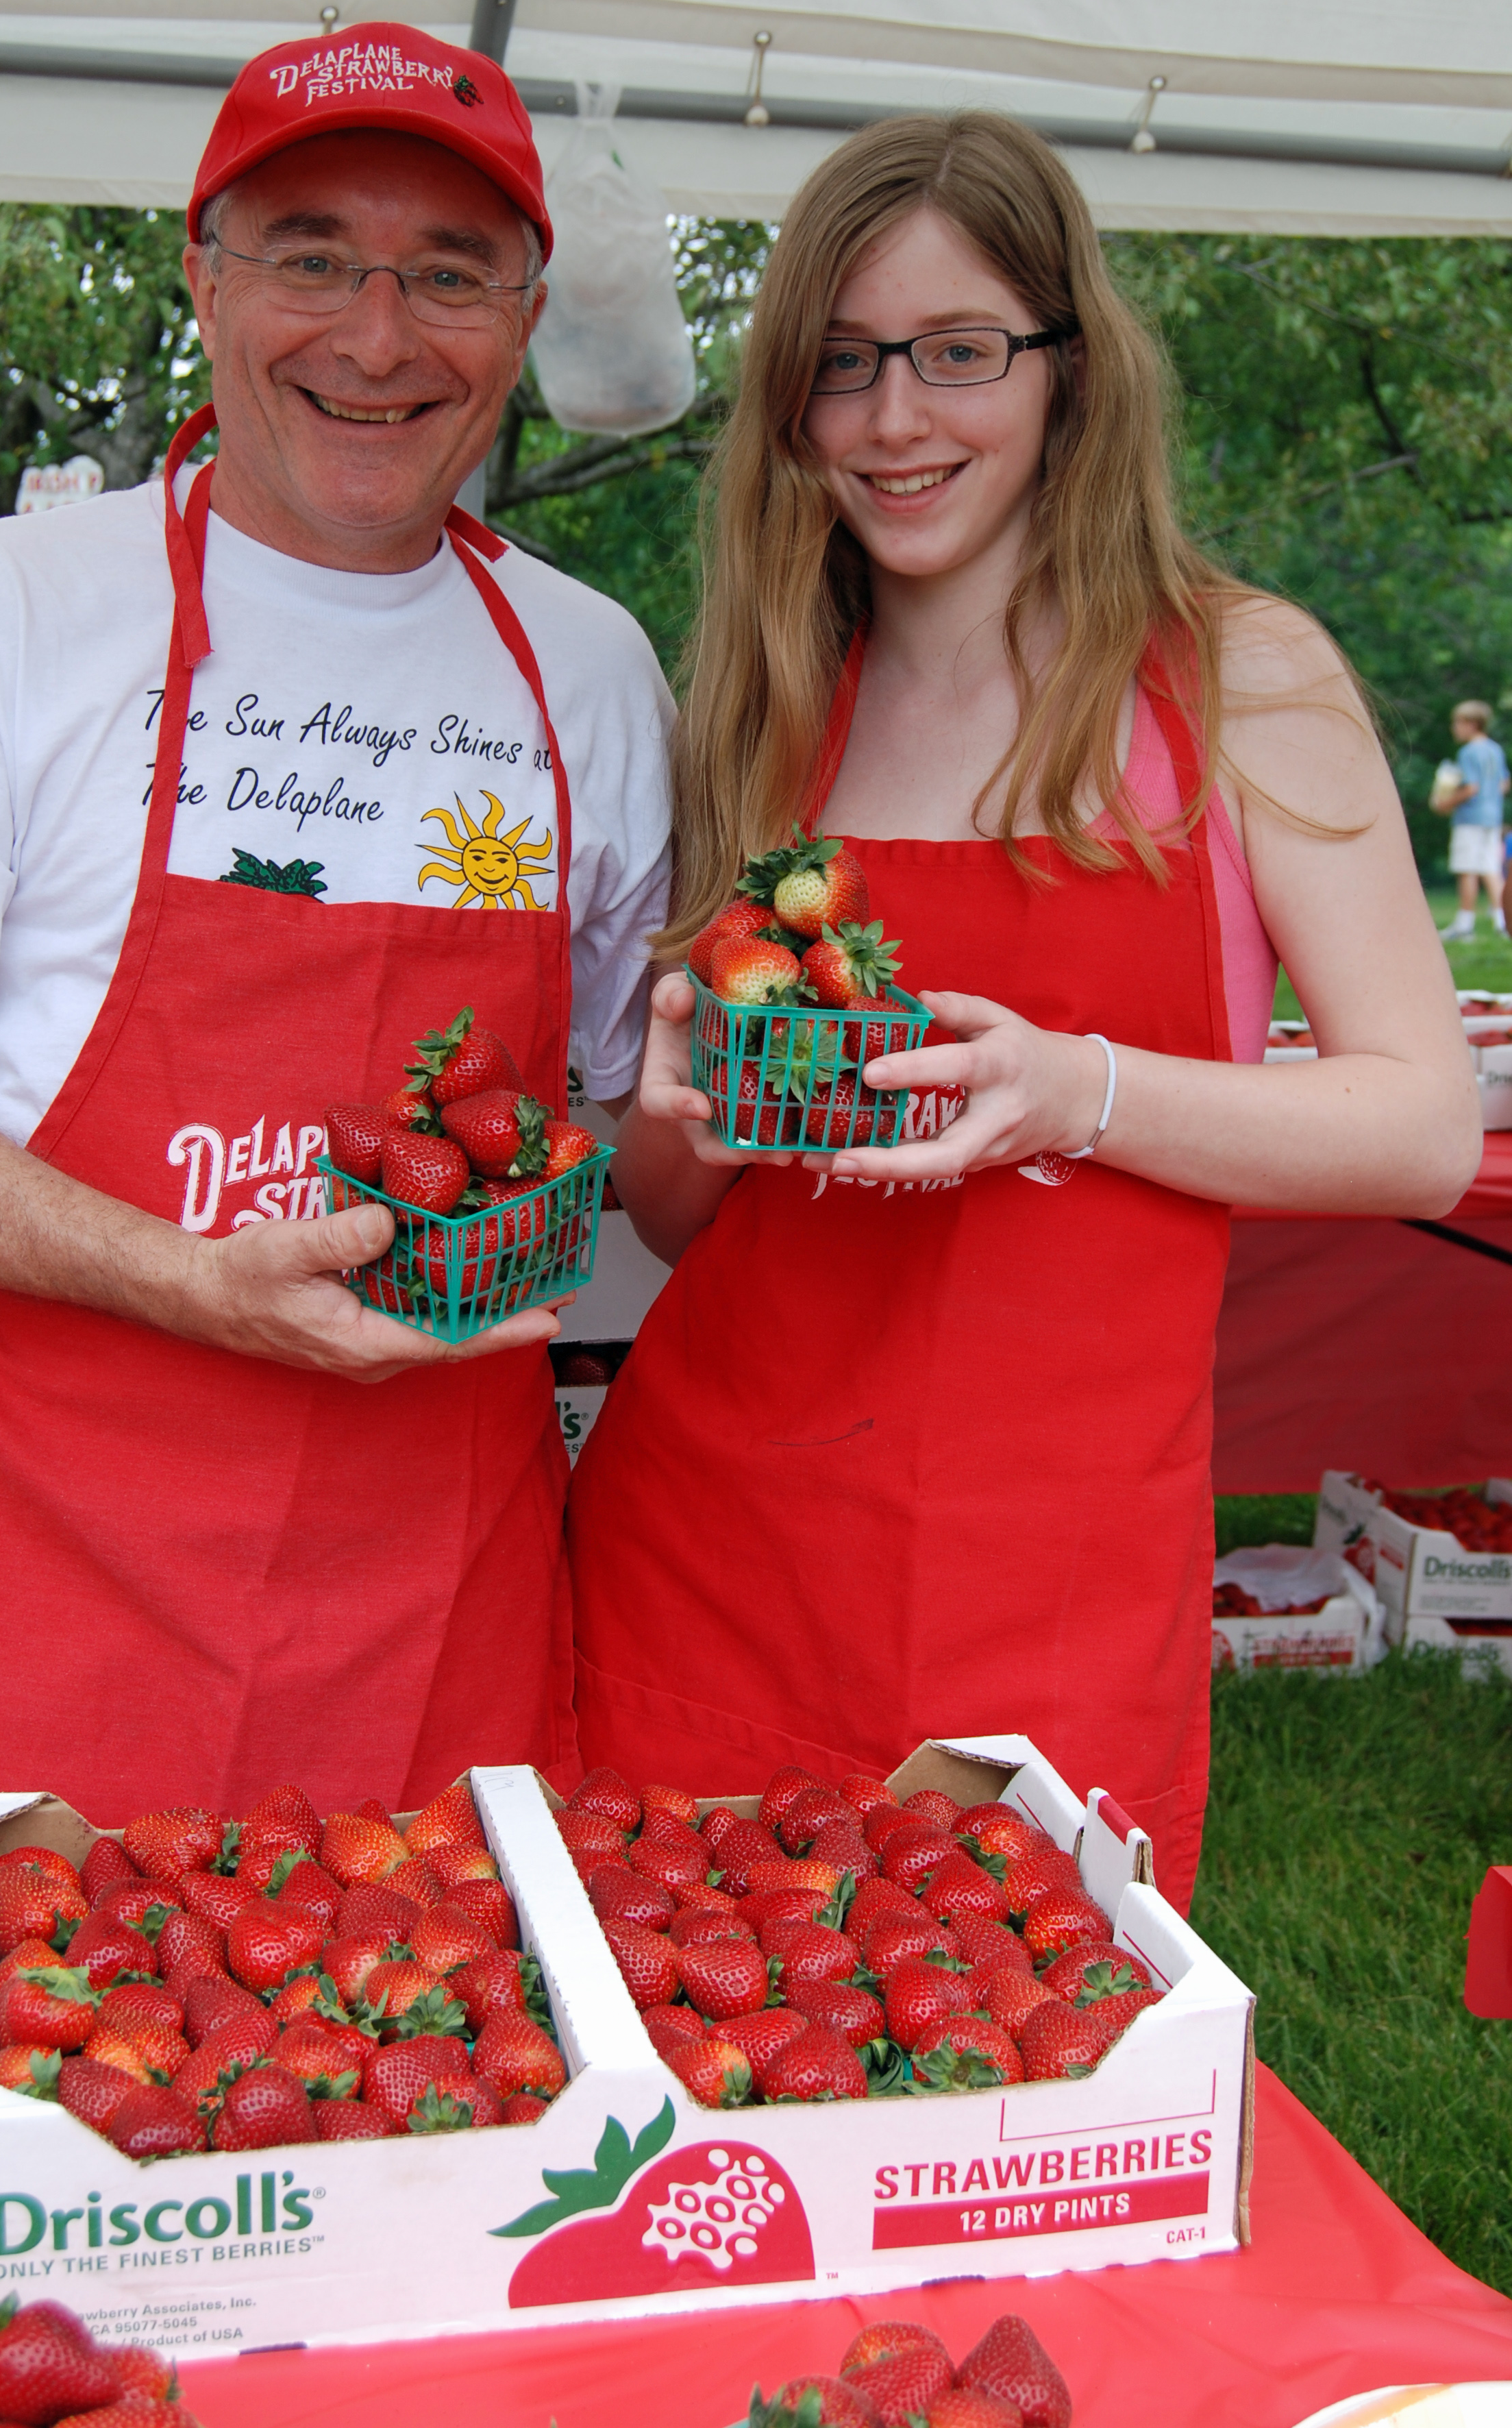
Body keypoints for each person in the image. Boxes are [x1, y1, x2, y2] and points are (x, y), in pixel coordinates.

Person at [0, 22, 674, 2039]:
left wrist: (848, 1070)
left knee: (429, 2182)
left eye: (448, 272)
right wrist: (180, 1274)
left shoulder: (590, 667)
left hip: (441, 1598)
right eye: (311, 253)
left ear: (521, 317)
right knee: (21, 2219)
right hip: (61, 1580)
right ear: (205, 275)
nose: (377, 329)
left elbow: (633, 1112)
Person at [566, 114, 1478, 1912]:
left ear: (1073, 370)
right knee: (703, 2117)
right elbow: (682, 1224)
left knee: (1019, 2116)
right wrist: (678, 1101)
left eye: (959, 352)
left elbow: (1420, 1124)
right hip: (716, 1547)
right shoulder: (767, 710)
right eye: (840, 365)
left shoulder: (1236, 681)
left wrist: (1081, 1094)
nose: (895, 419)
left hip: (1054, 1575)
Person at [1435, 699, 1508, 940]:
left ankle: (1465, 923)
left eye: (1458, 723)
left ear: (1472, 724)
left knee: (1467, 869)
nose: (1454, 728)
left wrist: (1445, 802)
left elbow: (1471, 788)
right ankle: (1502, 920)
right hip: (1492, 817)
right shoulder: (1494, 749)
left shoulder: (1468, 752)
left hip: (1470, 818)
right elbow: (1504, 783)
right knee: (1491, 868)